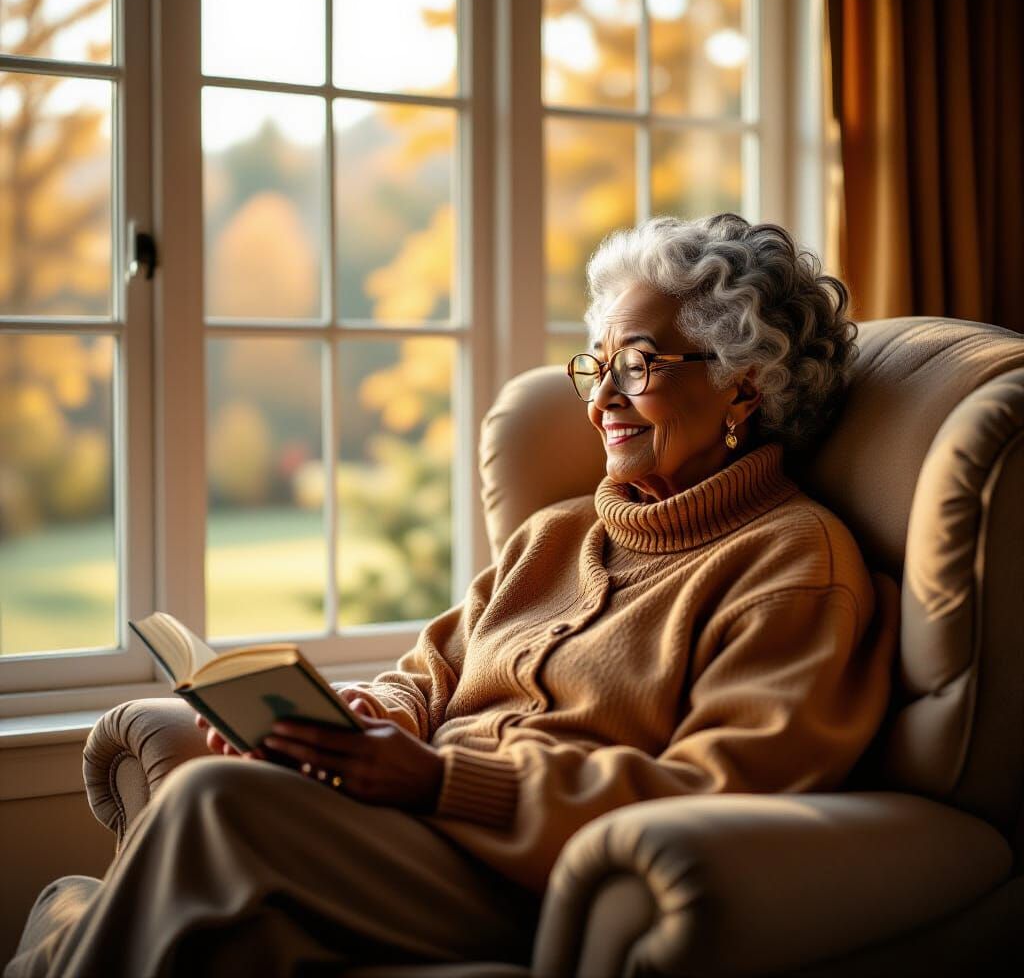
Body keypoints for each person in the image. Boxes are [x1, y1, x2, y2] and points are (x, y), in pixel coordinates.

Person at [5, 213, 899, 977]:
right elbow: (426, 674)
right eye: (597, 368)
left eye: (639, 363)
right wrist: (358, 717)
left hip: (534, 879)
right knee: (222, 900)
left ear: (744, 382)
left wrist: (446, 778)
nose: (602, 402)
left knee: (207, 806)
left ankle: (71, 935)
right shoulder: (556, 535)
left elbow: (716, 794)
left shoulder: (794, 564)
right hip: (415, 830)